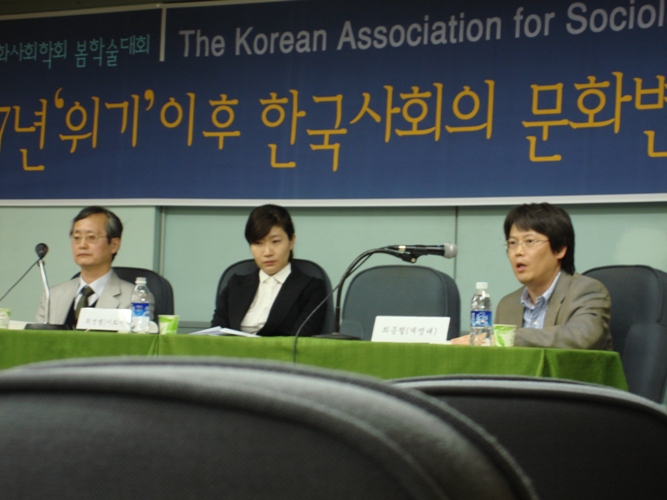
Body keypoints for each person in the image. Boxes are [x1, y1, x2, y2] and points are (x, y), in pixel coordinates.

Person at [453, 203, 612, 350]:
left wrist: (508, 338)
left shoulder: (587, 291)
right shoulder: (507, 305)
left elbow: (580, 336)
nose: (518, 252)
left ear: (560, 250)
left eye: (529, 241)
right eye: (512, 243)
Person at [211, 204, 327, 336]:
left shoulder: (311, 289)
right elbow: (215, 335)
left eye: (275, 241)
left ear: (291, 241)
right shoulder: (234, 285)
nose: (267, 252)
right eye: (258, 243)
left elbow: (300, 341)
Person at [35, 206, 134, 328]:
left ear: (114, 245)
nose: (82, 245)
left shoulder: (133, 299)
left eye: (91, 237)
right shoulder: (52, 296)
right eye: (76, 238)